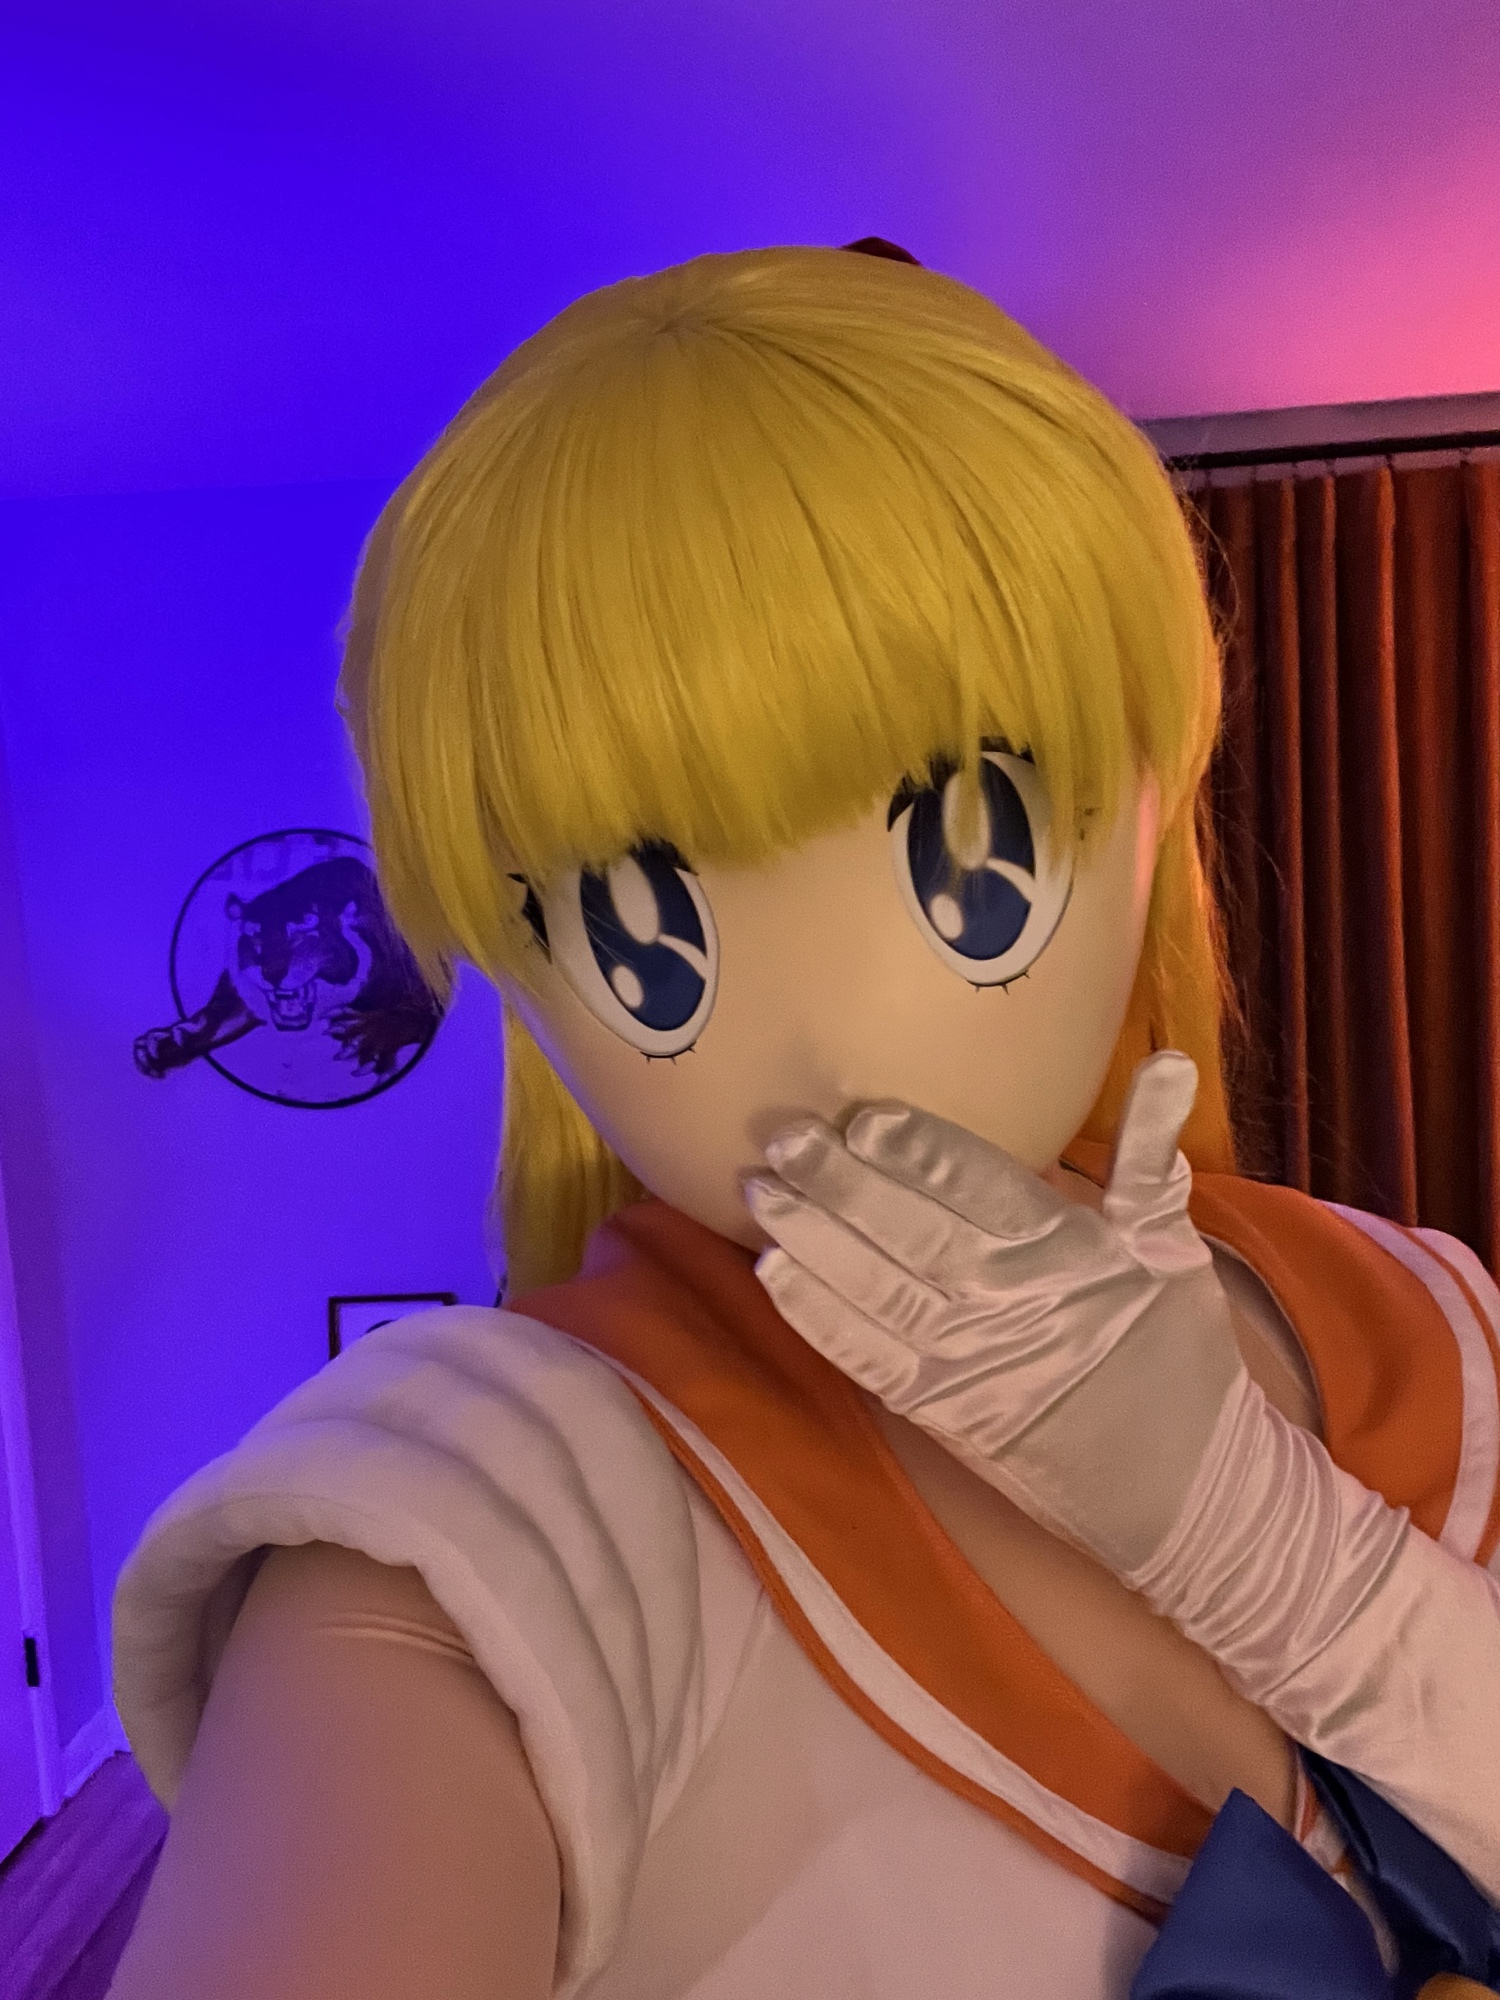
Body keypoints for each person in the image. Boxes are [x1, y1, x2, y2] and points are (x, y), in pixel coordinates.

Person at [108, 243, 1500, 1999]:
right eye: (645, 944)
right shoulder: (492, 1511)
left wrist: (1259, 1539)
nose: (830, 1039)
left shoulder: (1435, 1316)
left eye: (972, 859)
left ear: (1152, 798)